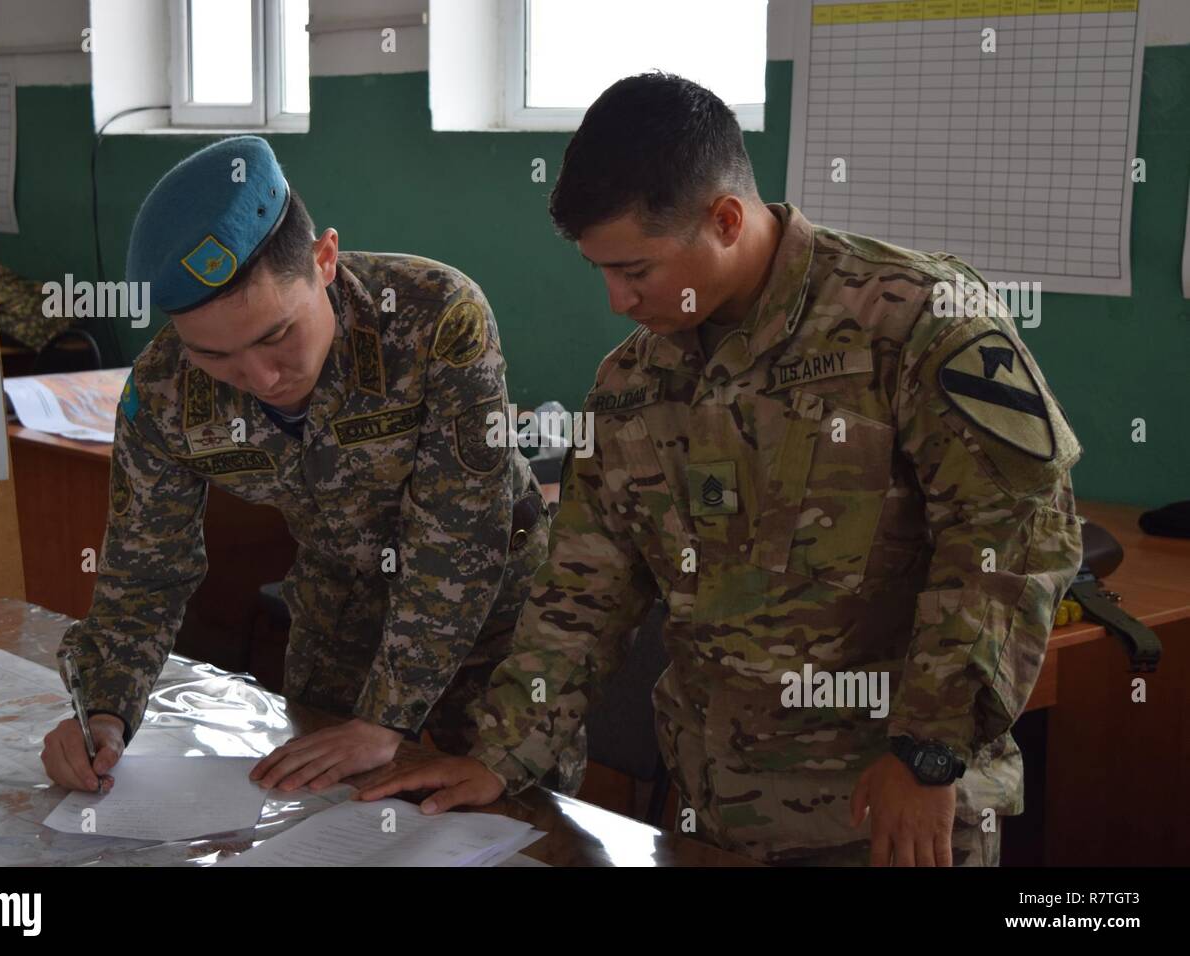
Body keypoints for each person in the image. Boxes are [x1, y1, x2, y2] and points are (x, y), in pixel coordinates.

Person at [357, 74, 1084, 866]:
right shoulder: (632, 384)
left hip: (889, 807)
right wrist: (501, 752)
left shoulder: (915, 322)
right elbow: (583, 593)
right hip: (721, 808)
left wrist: (931, 751)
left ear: (726, 219)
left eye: (636, 270)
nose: (615, 300)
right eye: (600, 270)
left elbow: (1010, 542)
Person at [40, 136, 550, 797]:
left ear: (325, 260)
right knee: (324, 822)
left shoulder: (435, 319)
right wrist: (103, 713)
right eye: (214, 356)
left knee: (511, 826)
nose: (260, 377)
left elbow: (458, 539)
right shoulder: (163, 394)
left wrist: (385, 719)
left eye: (276, 334)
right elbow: (143, 573)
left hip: (495, 626)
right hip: (338, 624)